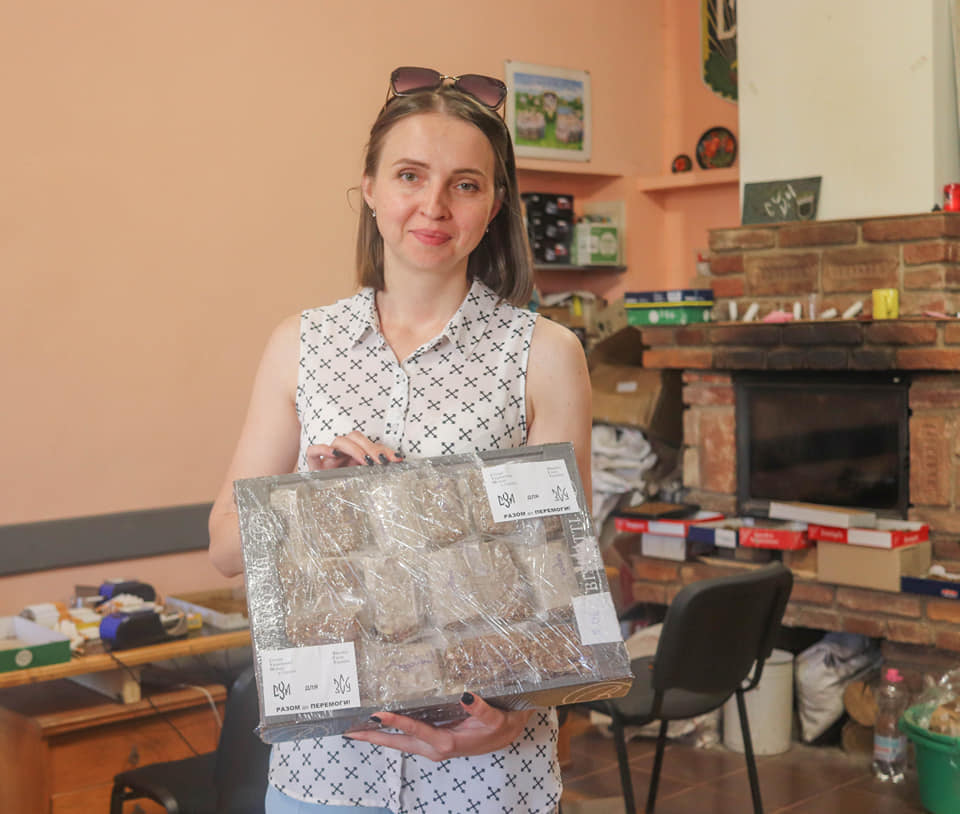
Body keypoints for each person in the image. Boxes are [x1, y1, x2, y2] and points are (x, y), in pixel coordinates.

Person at [208, 66, 592, 814]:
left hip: (486, 775)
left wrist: (509, 720)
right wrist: (312, 498)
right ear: (371, 189)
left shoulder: (545, 354)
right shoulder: (300, 345)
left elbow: (566, 572)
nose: (434, 205)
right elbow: (224, 545)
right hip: (325, 774)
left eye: (465, 184)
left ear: (495, 205)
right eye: (410, 175)